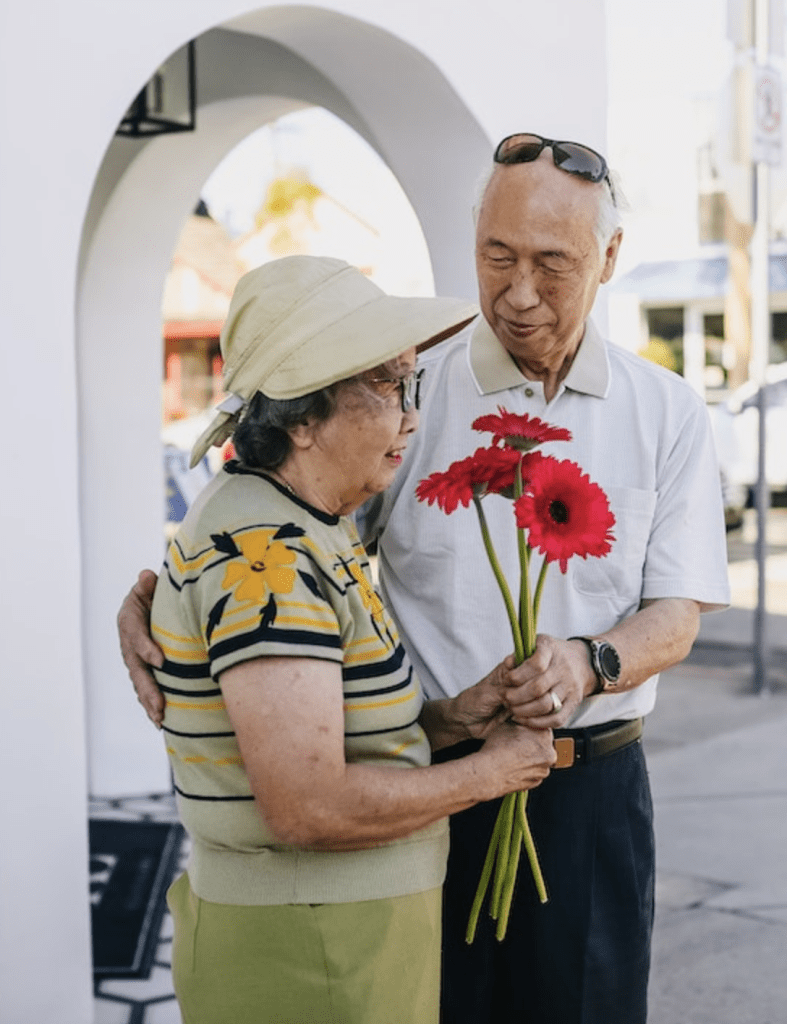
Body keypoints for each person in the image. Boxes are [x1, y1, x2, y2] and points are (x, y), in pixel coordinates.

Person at [120, 137, 731, 1023]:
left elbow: (675, 613)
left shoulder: (665, 409)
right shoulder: (400, 390)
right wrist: (155, 603)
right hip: (420, 786)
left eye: (552, 265)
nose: (518, 294)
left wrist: (588, 662)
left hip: (590, 795)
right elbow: (281, 527)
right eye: (496, 257)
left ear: (608, 259)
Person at [132, 254, 555, 1024]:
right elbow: (307, 807)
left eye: (410, 383)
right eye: (387, 385)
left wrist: (455, 717)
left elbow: (334, 737)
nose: (411, 415)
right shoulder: (271, 558)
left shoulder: (300, 527)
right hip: (310, 950)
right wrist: (490, 774)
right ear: (300, 416)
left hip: (333, 935)